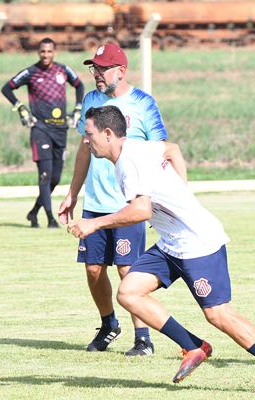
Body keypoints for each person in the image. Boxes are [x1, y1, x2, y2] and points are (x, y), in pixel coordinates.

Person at [67, 105, 255, 393]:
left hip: (197, 243)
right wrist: (179, 198)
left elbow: (141, 210)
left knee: (218, 314)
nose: (86, 140)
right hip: (171, 244)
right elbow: (173, 150)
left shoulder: (128, 162)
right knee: (129, 292)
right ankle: (193, 347)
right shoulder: (137, 148)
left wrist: (94, 224)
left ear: (108, 133)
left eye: (89, 134)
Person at [58, 43, 167, 356]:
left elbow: (161, 152)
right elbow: (83, 148)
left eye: (103, 68)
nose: (96, 74)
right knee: (93, 269)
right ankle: (109, 325)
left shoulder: (143, 103)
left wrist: (157, 201)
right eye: (94, 68)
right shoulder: (92, 100)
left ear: (122, 70)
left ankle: (143, 337)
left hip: (128, 202)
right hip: (95, 202)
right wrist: (72, 192)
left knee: (127, 270)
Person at [2, 37, 84, 228]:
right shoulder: (31, 72)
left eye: (49, 51)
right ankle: (50, 219)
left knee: (55, 178)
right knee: (45, 176)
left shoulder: (63, 70)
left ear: (54, 52)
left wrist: (77, 109)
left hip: (60, 128)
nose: (46, 55)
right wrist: (21, 108)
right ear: (38, 53)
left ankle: (33, 212)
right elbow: (7, 88)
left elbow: (79, 85)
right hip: (40, 129)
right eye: (42, 51)